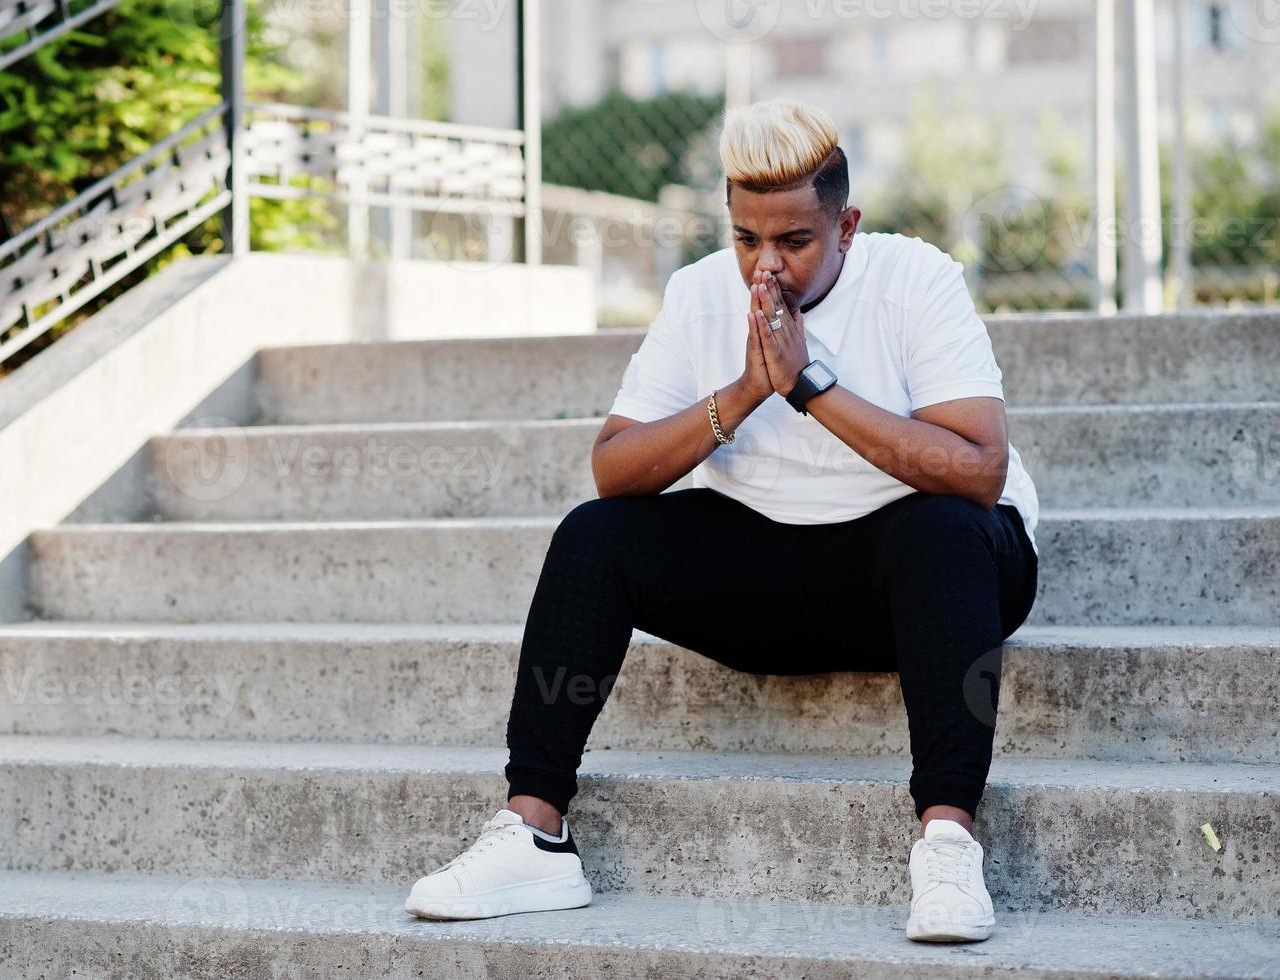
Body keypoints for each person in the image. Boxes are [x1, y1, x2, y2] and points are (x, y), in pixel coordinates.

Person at [404, 98, 1040, 944]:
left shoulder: (914, 278)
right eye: (746, 239)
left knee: (942, 528)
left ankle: (948, 841)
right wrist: (743, 392)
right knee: (593, 539)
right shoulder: (700, 293)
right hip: (771, 578)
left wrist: (810, 386)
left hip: (924, 575)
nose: (762, 266)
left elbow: (976, 469)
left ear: (845, 226)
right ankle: (535, 834)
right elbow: (613, 469)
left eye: (793, 241)